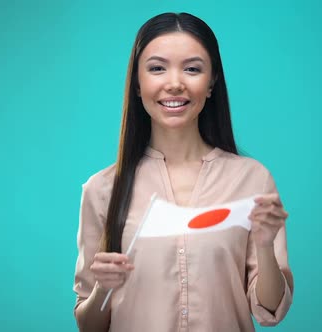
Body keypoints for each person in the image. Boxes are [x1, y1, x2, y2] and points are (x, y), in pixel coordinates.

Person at [73, 12, 293, 332]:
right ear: (137, 83)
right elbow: (88, 325)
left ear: (211, 81)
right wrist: (103, 287)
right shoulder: (102, 189)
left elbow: (270, 311)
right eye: (157, 68)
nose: (175, 83)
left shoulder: (252, 179)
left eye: (192, 69)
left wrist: (264, 245)